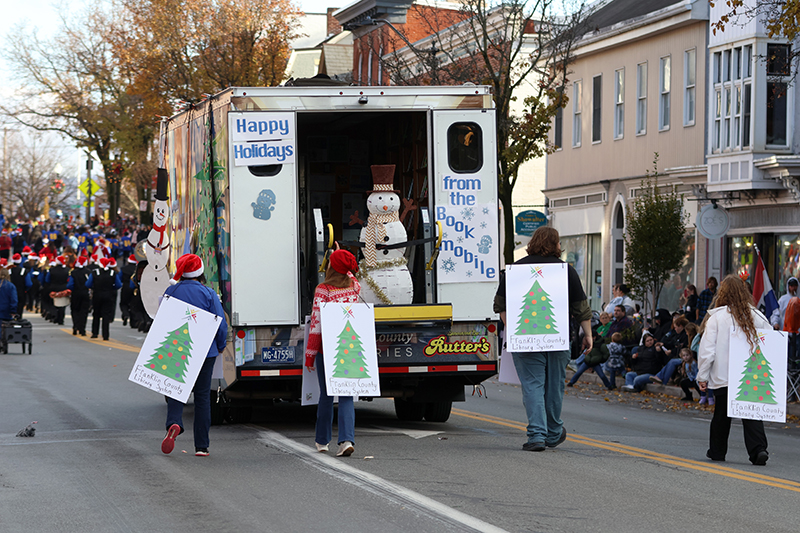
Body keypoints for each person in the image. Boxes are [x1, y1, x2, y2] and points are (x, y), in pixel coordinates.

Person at [494, 227, 592, 452]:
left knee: (533, 385)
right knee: (554, 386)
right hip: (558, 338)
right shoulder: (565, 271)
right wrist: (587, 334)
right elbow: (581, 307)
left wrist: (513, 329)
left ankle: (537, 435)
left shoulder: (515, 270)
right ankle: (554, 431)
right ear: (556, 244)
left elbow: (500, 305)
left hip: (525, 339)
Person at [697, 275, 771, 465]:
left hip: (724, 376)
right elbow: (771, 341)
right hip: (750, 374)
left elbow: (707, 350)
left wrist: (702, 375)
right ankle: (758, 449)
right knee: (751, 413)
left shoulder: (717, 318)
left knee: (721, 414)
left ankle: (717, 451)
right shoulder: (757, 316)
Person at [161, 253, 228, 457]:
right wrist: (220, 345)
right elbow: (220, 324)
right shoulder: (209, 293)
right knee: (202, 397)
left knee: (176, 390)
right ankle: (202, 446)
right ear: (200, 273)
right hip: (205, 352)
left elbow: (163, 320)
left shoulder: (171, 291)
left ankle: (174, 423)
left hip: (177, 348)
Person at [304, 247, 362, 457]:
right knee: (346, 395)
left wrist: (310, 355)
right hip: (350, 347)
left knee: (326, 395)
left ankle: (322, 441)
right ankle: (346, 441)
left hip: (328, 348)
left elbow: (316, 325)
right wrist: (341, 257)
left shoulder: (323, 290)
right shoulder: (354, 287)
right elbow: (350, 273)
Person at [86, 257, 122, 340]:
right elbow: (118, 285)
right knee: (106, 315)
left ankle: (95, 333)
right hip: (108, 295)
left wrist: (94, 287)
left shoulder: (95, 272)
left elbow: (88, 284)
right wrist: (111, 288)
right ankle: (105, 335)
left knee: (96, 314)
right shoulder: (112, 273)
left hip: (97, 295)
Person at [67, 256, 91, 336]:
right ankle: (82, 329)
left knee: (75, 310)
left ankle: (75, 326)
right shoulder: (88, 272)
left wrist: (73, 289)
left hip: (76, 293)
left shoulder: (73, 273)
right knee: (84, 311)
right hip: (85, 293)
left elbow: (70, 285)